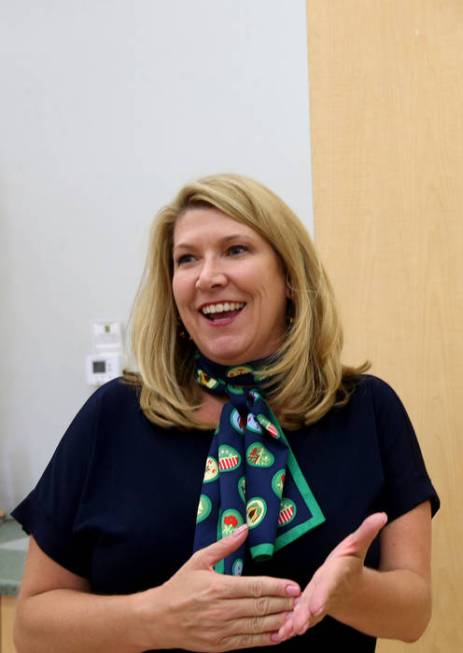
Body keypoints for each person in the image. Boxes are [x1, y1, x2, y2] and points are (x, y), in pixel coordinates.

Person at [12, 174, 439, 652]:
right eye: (187, 258)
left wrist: (350, 592)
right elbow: (31, 628)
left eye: (235, 250)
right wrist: (153, 617)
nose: (207, 276)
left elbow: (413, 613)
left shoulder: (366, 410)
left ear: (291, 280)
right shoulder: (112, 416)